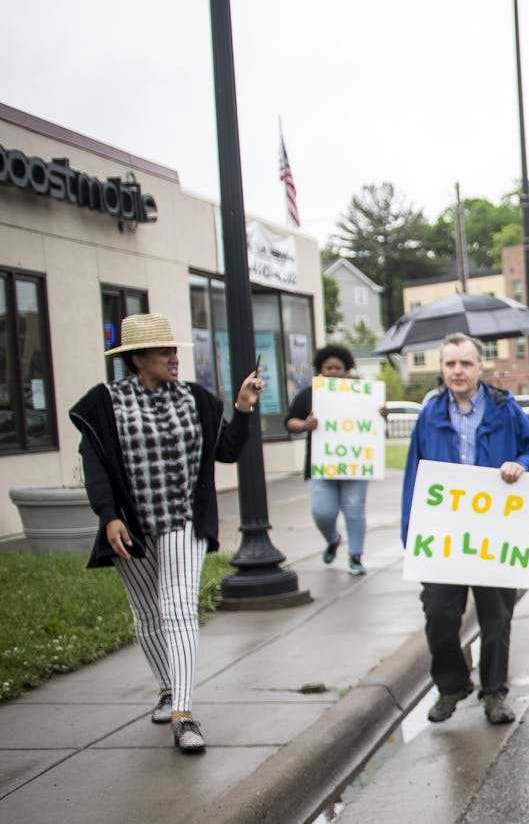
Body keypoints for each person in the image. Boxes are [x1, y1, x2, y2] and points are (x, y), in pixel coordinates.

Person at [69, 313, 264, 754]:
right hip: (131, 527)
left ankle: (183, 713)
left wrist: (244, 406)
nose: (174, 358)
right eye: (163, 352)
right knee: (147, 614)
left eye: (175, 351)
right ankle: (166, 687)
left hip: (183, 521)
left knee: (177, 609)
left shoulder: (196, 400)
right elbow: (95, 467)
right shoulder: (104, 403)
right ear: (137, 359)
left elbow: (228, 451)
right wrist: (108, 516)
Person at [400, 333, 529, 725]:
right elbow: (414, 476)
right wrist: (409, 535)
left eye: (465, 363)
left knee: (496, 618)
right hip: (443, 536)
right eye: (450, 364)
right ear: (442, 368)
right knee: (438, 615)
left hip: (494, 533)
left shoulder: (504, 409)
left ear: (480, 367)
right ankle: (451, 685)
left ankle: (495, 693)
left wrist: (523, 466)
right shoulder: (430, 415)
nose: (457, 371)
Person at [285, 344, 381, 575]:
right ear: (320, 369)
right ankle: (333, 539)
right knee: (322, 512)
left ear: (346, 369)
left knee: (355, 511)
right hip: (320, 466)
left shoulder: (361, 393)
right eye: (329, 368)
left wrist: (382, 414)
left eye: (338, 368)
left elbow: (373, 422)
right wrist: (306, 425)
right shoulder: (309, 395)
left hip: (355, 465)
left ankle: (355, 556)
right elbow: (290, 422)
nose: (334, 372)